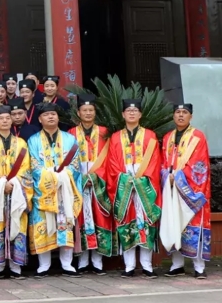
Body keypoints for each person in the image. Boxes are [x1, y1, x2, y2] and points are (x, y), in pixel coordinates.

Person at [107, 99, 162, 278]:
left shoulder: (150, 136)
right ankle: (129, 265)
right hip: (124, 185)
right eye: (128, 111)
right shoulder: (115, 137)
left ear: (140, 114)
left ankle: (147, 265)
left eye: (135, 110)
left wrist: (141, 179)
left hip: (144, 184)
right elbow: (112, 164)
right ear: (123, 114)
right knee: (126, 222)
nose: (131, 113)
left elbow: (155, 162)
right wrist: (124, 179)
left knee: (145, 222)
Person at [27, 103, 82, 278]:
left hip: (65, 188)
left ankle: (67, 263)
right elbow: (33, 165)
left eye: (53, 114)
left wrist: (62, 176)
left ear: (58, 117)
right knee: (43, 223)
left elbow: (75, 164)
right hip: (44, 190)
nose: (50, 117)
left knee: (65, 222)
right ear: (40, 119)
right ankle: (44, 264)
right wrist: (51, 177)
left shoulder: (69, 139)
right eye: (47, 115)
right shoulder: (33, 140)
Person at [0, 105, 33, 279]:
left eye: (7, 118)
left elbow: (26, 169)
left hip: (17, 190)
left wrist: (14, 183)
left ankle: (16, 265)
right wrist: (2, 184)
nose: (4, 121)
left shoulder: (21, 143)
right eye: (1, 118)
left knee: (17, 221)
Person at [160, 104, 211, 279]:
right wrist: (167, 176)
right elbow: (162, 162)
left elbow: (200, 164)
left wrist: (179, 178)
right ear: (173, 116)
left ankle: (199, 267)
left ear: (191, 116)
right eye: (178, 112)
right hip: (172, 188)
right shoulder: (168, 137)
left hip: (189, 189)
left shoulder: (198, 137)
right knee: (174, 223)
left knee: (193, 224)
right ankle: (177, 264)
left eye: (185, 113)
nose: (181, 115)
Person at [67, 94, 112, 275]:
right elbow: (67, 159)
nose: (87, 113)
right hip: (78, 182)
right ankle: (83, 260)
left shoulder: (104, 132)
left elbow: (110, 159)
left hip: (98, 182)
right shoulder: (71, 133)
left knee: (98, 218)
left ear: (95, 112)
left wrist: (95, 177)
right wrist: (79, 179)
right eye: (84, 110)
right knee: (81, 220)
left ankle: (97, 260)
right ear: (78, 112)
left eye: (91, 110)